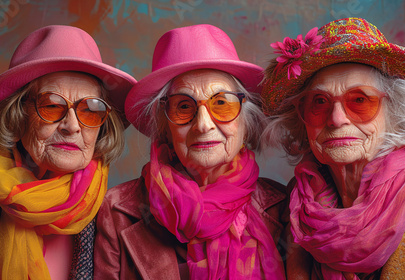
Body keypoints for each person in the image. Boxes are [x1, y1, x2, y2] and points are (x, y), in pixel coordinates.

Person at [261, 17, 405, 279]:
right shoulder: (287, 211)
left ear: (395, 112)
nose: (336, 119)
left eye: (359, 100)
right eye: (319, 102)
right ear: (302, 118)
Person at [94, 24, 288, 279]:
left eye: (221, 103)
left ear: (246, 121)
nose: (203, 124)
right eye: (184, 106)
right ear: (165, 127)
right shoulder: (117, 209)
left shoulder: (283, 206)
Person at [0, 25, 136, 279]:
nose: (72, 126)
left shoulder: (115, 215)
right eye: (52, 106)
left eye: (90, 109)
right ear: (17, 116)